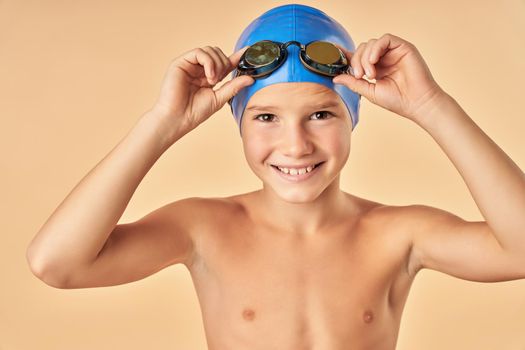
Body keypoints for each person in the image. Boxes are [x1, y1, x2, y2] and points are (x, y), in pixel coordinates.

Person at [26, 4, 525, 350]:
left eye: (321, 115)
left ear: (354, 116)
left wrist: (430, 106)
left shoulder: (397, 234)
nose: (295, 145)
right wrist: (162, 123)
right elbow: (57, 263)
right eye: (266, 118)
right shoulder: (204, 228)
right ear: (236, 121)